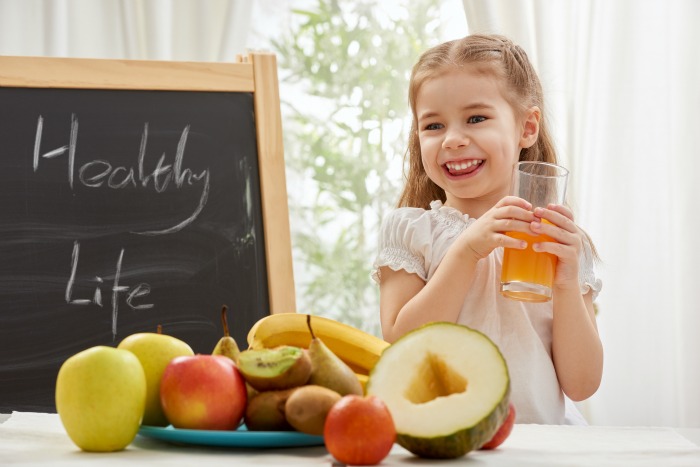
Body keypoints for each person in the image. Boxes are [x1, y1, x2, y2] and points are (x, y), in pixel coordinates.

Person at [371, 34, 603, 425]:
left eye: (476, 118)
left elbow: (581, 384)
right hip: (446, 440)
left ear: (526, 128)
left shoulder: (559, 240)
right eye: (433, 125)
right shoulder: (411, 230)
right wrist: (466, 251)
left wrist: (565, 285)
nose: (454, 139)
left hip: (544, 447)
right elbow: (401, 346)